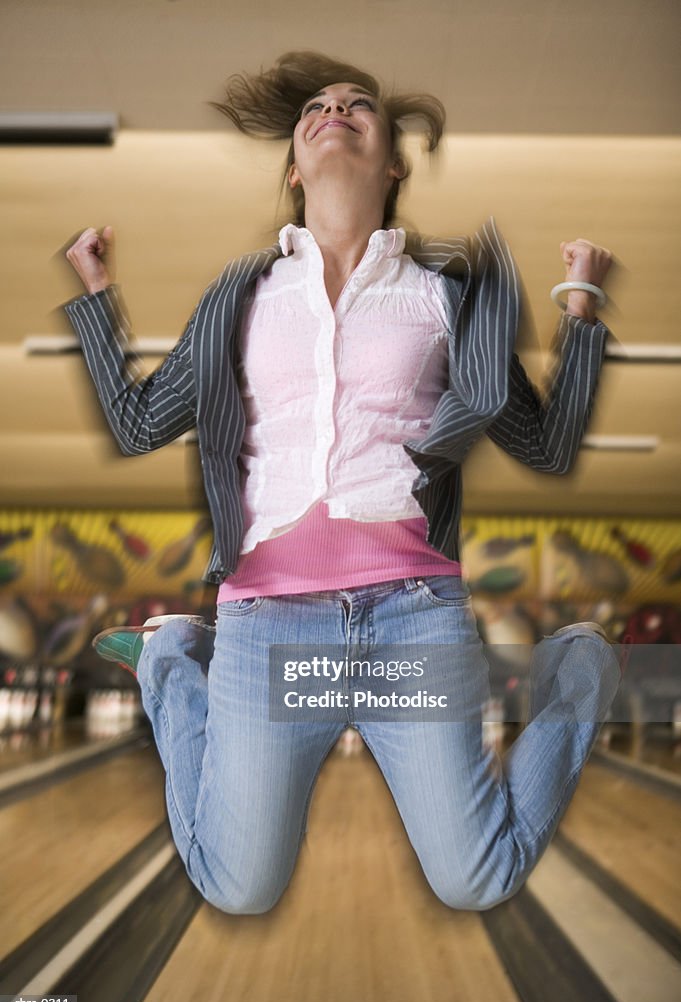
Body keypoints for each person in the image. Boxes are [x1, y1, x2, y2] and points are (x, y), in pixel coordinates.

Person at [62, 51, 620, 915]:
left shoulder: (444, 299)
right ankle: (171, 656)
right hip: (267, 618)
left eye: (357, 104)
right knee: (238, 888)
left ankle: (578, 666)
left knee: (474, 878)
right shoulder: (238, 297)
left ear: (391, 160)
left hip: (411, 619)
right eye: (317, 105)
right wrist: (96, 294)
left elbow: (542, 444)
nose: (335, 108)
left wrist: (579, 309)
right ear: (294, 165)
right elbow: (140, 423)